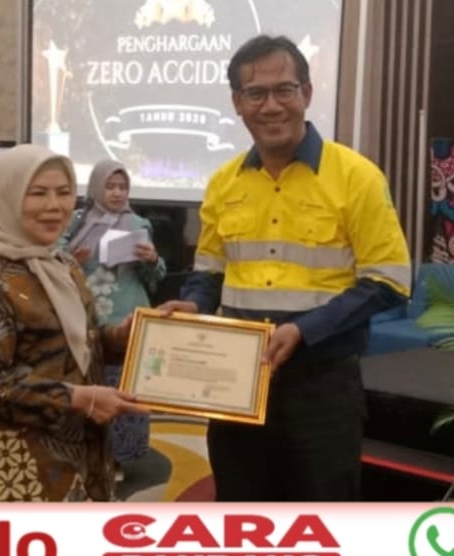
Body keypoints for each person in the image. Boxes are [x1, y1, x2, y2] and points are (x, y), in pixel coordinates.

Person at [158, 35, 412, 501]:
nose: (271, 106)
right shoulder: (223, 182)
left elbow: (389, 282)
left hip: (321, 383)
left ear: (307, 93)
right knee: (241, 510)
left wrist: (304, 330)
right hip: (234, 380)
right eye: (256, 93)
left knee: (321, 517)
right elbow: (210, 272)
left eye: (284, 90)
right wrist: (194, 304)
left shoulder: (357, 177)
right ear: (237, 103)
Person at [0, 144, 148, 502]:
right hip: (17, 463)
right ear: (6, 197)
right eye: (37, 193)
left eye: (64, 192)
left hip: (81, 448)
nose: (55, 206)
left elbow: (80, 343)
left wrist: (119, 337)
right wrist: (78, 399)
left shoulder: (61, 263)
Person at [62, 160, 166, 468]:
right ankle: (87, 452)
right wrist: (71, 259)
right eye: (110, 186)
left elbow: (155, 279)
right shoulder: (76, 222)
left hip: (129, 315)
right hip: (87, 316)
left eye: (122, 187)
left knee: (126, 385)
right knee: (89, 382)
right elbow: (52, 260)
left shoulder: (138, 224)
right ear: (96, 187)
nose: (117, 193)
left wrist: (152, 259)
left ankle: (121, 458)